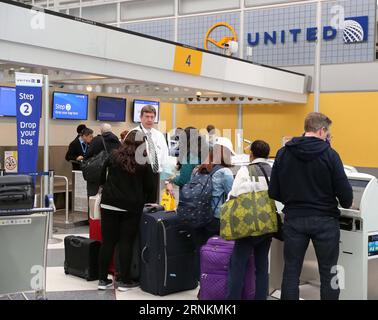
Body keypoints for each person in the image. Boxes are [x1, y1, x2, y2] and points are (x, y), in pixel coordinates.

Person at [268, 112, 353, 300]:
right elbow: (346, 196)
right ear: (322, 130)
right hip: (325, 221)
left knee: (291, 271)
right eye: (327, 131)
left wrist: (292, 200)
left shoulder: (283, 153)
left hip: (294, 220)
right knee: (330, 272)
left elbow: (273, 191)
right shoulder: (330, 155)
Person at [97, 130, 155, 291]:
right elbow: (150, 187)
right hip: (130, 207)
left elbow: (102, 177)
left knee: (108, 242)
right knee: (126, 242)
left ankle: (102, 280)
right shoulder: (143, 161)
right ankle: (125, 280)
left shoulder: (113, 156)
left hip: (108, 204)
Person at [226, 140, 273, 300]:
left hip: (248, 225)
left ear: (251, 154)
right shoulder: (273, 171)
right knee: (262, 267)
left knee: (237, 266)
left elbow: (235, 193)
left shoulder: (246, 170)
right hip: (267, 224)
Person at [193, 137, 235, 279]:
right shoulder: (225, 173)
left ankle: (200, 276)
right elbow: (232, 195)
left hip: (198, 214)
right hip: (216, 216)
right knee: (215, 250)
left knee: (201, 246)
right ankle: (213, 278)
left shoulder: (198, 169)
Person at [133, 105, 169, 202]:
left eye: (152, 117)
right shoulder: (134, 133)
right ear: (141, 117)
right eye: (147, 117)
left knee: (152, 207)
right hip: (138, 177)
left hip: (155, 176)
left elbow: (165, 159)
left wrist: (167, 181)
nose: (149, 120)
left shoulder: (159, 135)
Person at [165, 127, 208, 195]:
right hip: (202, 194)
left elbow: (183, 180)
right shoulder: (204, 152)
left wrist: (172, 179)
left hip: (190, 196)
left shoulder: (190, 156)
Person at [85, 123, 121, 197]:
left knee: (95, 196)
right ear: (111, 131)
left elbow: (88, 155)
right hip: (112, 173)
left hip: (98, 173)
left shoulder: (96, 140)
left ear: (101, 131)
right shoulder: (117, 141)